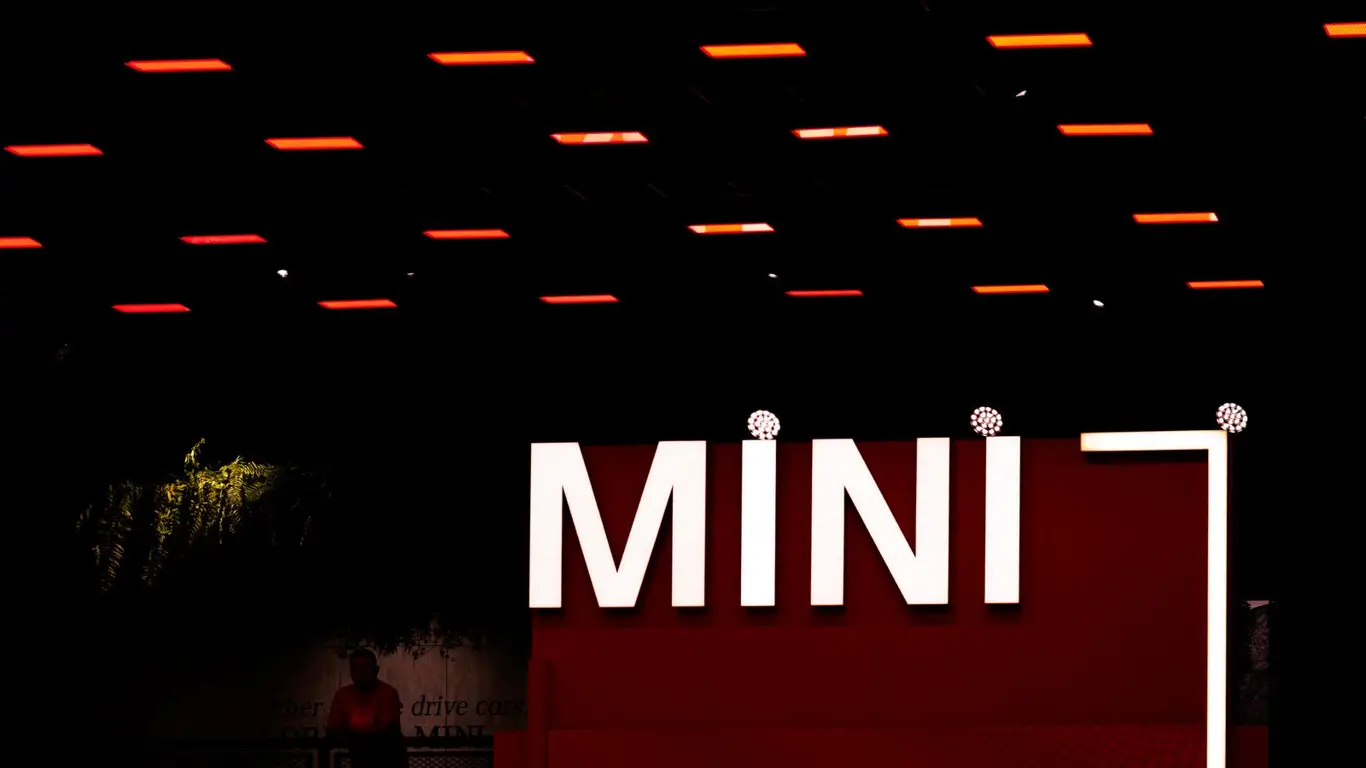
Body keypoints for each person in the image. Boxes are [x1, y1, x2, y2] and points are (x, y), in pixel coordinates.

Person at [327, 648, 407, 768]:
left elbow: (384, 730)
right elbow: (334, 728)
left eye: (365, 667)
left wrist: (354, 733)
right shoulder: (343, 695)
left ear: (375, 670)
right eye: (356, 668)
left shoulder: (387, 693)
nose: (360, 673)